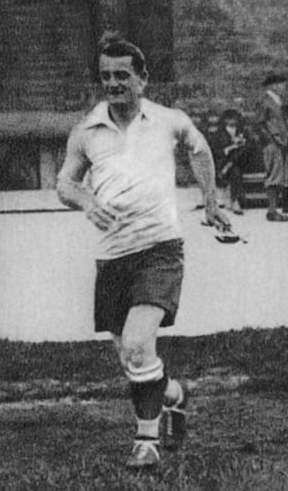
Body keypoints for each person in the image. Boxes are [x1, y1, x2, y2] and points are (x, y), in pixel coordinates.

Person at [55, 37, 230, 468]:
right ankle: (174, 394)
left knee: (137, 343)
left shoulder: (169, 121)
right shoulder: (87, 130)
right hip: (113, 256)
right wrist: (87, 201)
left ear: (143, 79)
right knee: (133, 355)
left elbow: (200, 149)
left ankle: (146, 440)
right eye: (106, 76)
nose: (113, 84)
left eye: (122, 75)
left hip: (160, 249)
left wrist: (211, 199)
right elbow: (64, 184)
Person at [259, 73, 288, 222]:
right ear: (273, 85)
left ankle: (274, 209)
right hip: (273, 144)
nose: (283, 88)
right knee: (274, 176)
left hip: (279, 143)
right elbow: (260, 124)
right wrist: (272, 140)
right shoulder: (266, 101)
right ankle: (271, 210)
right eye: (281, 84)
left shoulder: (277, 101)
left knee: (279, 176)